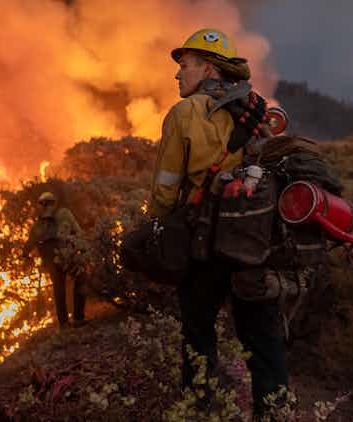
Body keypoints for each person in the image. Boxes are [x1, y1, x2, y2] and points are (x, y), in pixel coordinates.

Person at [148, 28, 288, 416]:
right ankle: (274, 412)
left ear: (208, 68)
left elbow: (165, 186)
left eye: (185, 66)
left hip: (203, 242)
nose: (178, 75)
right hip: (254, 241)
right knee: (262, 337)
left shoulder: (184, 113)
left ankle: (200, 408)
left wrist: (158, 227)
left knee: (197, 331)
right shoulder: (257, 107)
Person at [22, 191, 87, 328]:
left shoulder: (38, 225)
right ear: (54, 202)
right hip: (66, 255)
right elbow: (78, 232)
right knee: (81, 279)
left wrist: (26, 257)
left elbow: (28, 246)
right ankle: (78, 318)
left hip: (50, 260)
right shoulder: (64, 214)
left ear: (41, 205)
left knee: (59, 289)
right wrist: (83, 250)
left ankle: (63, 323)